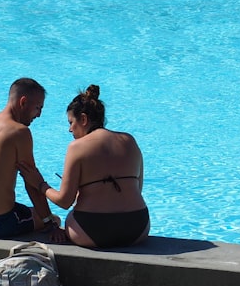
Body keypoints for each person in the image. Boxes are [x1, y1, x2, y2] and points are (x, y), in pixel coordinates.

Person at [21, 84, 150, 249]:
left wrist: (40, 184)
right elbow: (137, 189)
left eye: (71, 122)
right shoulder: (129, 141)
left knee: (69, 218)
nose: (70, 129)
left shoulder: (77, 147)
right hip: (137, 228)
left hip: (92, 231)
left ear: (83, 119)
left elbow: (64, 201)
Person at [0, 77, 63, 239]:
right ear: (23, 102)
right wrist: (50, 224)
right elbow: (31, 182)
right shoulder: (20, 132)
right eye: (38, 108)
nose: (39, 115)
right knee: (55, 218)